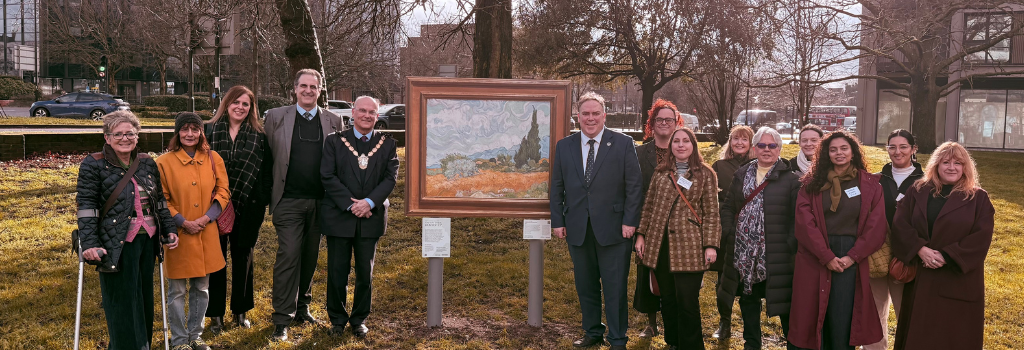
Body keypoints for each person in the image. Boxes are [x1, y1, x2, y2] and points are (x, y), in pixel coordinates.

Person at [76, 111, 179, 349]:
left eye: (130, 133)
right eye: (118, 134)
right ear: (107, 137)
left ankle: (143, 345)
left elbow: (159, 201)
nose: (125, 138)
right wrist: (90, 243)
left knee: (143, 301)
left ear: (137, 135)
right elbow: (87, 207)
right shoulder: (94, 163)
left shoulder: (146, 162)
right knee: (122, 303)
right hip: (115, 243)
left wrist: (169, 229)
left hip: (147, 241)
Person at [549, 92, 642, 350]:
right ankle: (592, 332)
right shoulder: (564, 146)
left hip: (615, 229)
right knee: (586, 286)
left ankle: (618, 338)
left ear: (604, 116)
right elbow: (557, 186)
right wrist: (558, 220)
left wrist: (630, 221)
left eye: (595, 113)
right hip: (578, 228)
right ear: (578, 116)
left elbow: (634, 187)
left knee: (614, 288)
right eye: (585, 114)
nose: (590, 118)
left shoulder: (623, 143)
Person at [264, 69, 345, 341]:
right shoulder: (276, 117)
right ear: (295, 89)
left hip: (321, 202)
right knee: (289, 255)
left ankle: (303, 308)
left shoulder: (334, 120)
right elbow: (266, 157)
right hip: (288, 200)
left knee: (310, 257)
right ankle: (281, 319)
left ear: (320, 90)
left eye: (314, 86)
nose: (308, 90)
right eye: (303, 86)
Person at [890, 142, 994, 350]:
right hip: (921, 276)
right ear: (936, 165)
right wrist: (920, 249)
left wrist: (946, 255)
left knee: (953, 337)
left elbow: (980, 238)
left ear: (966, 167)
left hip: (957, 278)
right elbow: (900, 225)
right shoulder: (917, 190)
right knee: (919, 335)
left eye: (958, 163)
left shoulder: (978, 198)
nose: (951, 167)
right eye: (945, 162)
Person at [790, 130, 886, 350]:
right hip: (817, 255)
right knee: (814, 316)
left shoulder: (869, 185)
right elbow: (805, 224)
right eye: (833, 149)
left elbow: (876, 226)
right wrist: (826, 256)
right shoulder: (811, 184)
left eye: (844, 148)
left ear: (853, 152)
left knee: (843, 316)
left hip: (851, 257)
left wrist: (853, 257)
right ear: (826, 154)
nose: (839, 153)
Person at [634, 127, 721, 350]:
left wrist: (711, 245)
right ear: (671, 146)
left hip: (690, 247)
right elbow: (649, 206)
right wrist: (641, 235)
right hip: (660, 244)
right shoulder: (660, 172)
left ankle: (691, 346)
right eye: (676, 141)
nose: (681, 145)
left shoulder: (705, 174)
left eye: (686, 141)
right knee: (669, 300)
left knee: (688, 302)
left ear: (693, 145)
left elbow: (712, 212)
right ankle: (673, 341)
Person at [321, 96, 399, 338]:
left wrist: (369, 203)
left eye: (372, 112)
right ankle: (337, 319)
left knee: (365, 273)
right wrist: (350, 204)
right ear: (352, 113)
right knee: (337, 271)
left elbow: (390, 177)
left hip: (370, 216)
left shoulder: (387, 144)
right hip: (339, 216)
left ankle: (359, 319)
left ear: (377, 116)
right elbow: (327, 175)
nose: (366, 115)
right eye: (362, 111)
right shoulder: (334, 142)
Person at [719, 127, 802, 350]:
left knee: (784, 303)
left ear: (779, 149)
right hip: (744, 253)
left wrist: (789, 243)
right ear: (754, 148)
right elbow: (728, 207)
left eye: (772, 145)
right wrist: (729, 232)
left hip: (777, 256)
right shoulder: (742, 174)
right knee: (749, 301)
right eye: (762, 145)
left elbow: (797, 218)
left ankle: (793, 344)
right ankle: (752, 344)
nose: (766, 150)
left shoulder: (792, 179)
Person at [156, 112, 230, 350]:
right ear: (177, 133)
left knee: (202, 287)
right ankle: (179, 340)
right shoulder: (164, 162)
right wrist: (182, 221)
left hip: (206, 232)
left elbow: (223, 190)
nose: (190, 134)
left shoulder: (213, 157)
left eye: (195, 129)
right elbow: (162, 198)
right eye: (185, 129)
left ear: (201, 133)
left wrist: (207, 218)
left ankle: (195, 335)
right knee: (177, 290)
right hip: (178, 234)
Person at [203, 86, 273, 333]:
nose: (240, 107)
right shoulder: (209, 131)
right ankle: (215, 315)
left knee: (243, 258)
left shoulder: (259, 136)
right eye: (236, 102)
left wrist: (262, 198)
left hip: (248, 205)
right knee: (216, 260)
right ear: (227, 103)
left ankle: (241, 312)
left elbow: (267, 171)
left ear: (251, 108)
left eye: (246, 104)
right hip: (214, 206)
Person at [864, 129, 922, 350]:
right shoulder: (876, 180)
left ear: (913, 149)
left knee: (906, 313)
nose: (897, 152)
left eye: (903, 147)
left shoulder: (925, 181)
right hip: (876, 255)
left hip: (907, 257)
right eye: (892, 147)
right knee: (874, 313)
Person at [633, 99, 683, 338]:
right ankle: (651, 323)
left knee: (674, 270)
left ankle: (674, 321)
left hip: (678, 223)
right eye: (659, 119)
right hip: (648, 220)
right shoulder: (639, 152)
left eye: (669, 120)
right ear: (652, 124)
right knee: (648, 270)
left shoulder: (684, 149)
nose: (664, 123)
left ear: (676, 123)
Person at [710, 124, 754, 339]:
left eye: (744, 139)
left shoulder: (758, 165)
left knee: (749, 281)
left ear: (750, 143)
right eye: (736, 138)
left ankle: (750, 327)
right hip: (727, 229)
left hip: (752, 232)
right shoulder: (719, 165)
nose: (739, 143)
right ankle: (725, 322)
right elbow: (710, 197)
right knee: (724, 280)